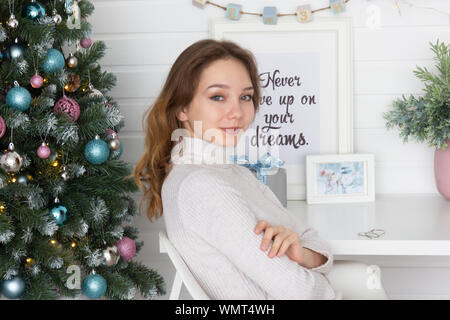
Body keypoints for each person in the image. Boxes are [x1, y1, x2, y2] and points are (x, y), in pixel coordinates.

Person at [134, 39, 341, 300]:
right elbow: (304, 293)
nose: (237, 112)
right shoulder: (202, 186)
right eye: (218, 97)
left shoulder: (229, 172)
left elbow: (312, 239)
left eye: (245, 97)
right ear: (182, 108)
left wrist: (302, 255)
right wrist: (324, 283)